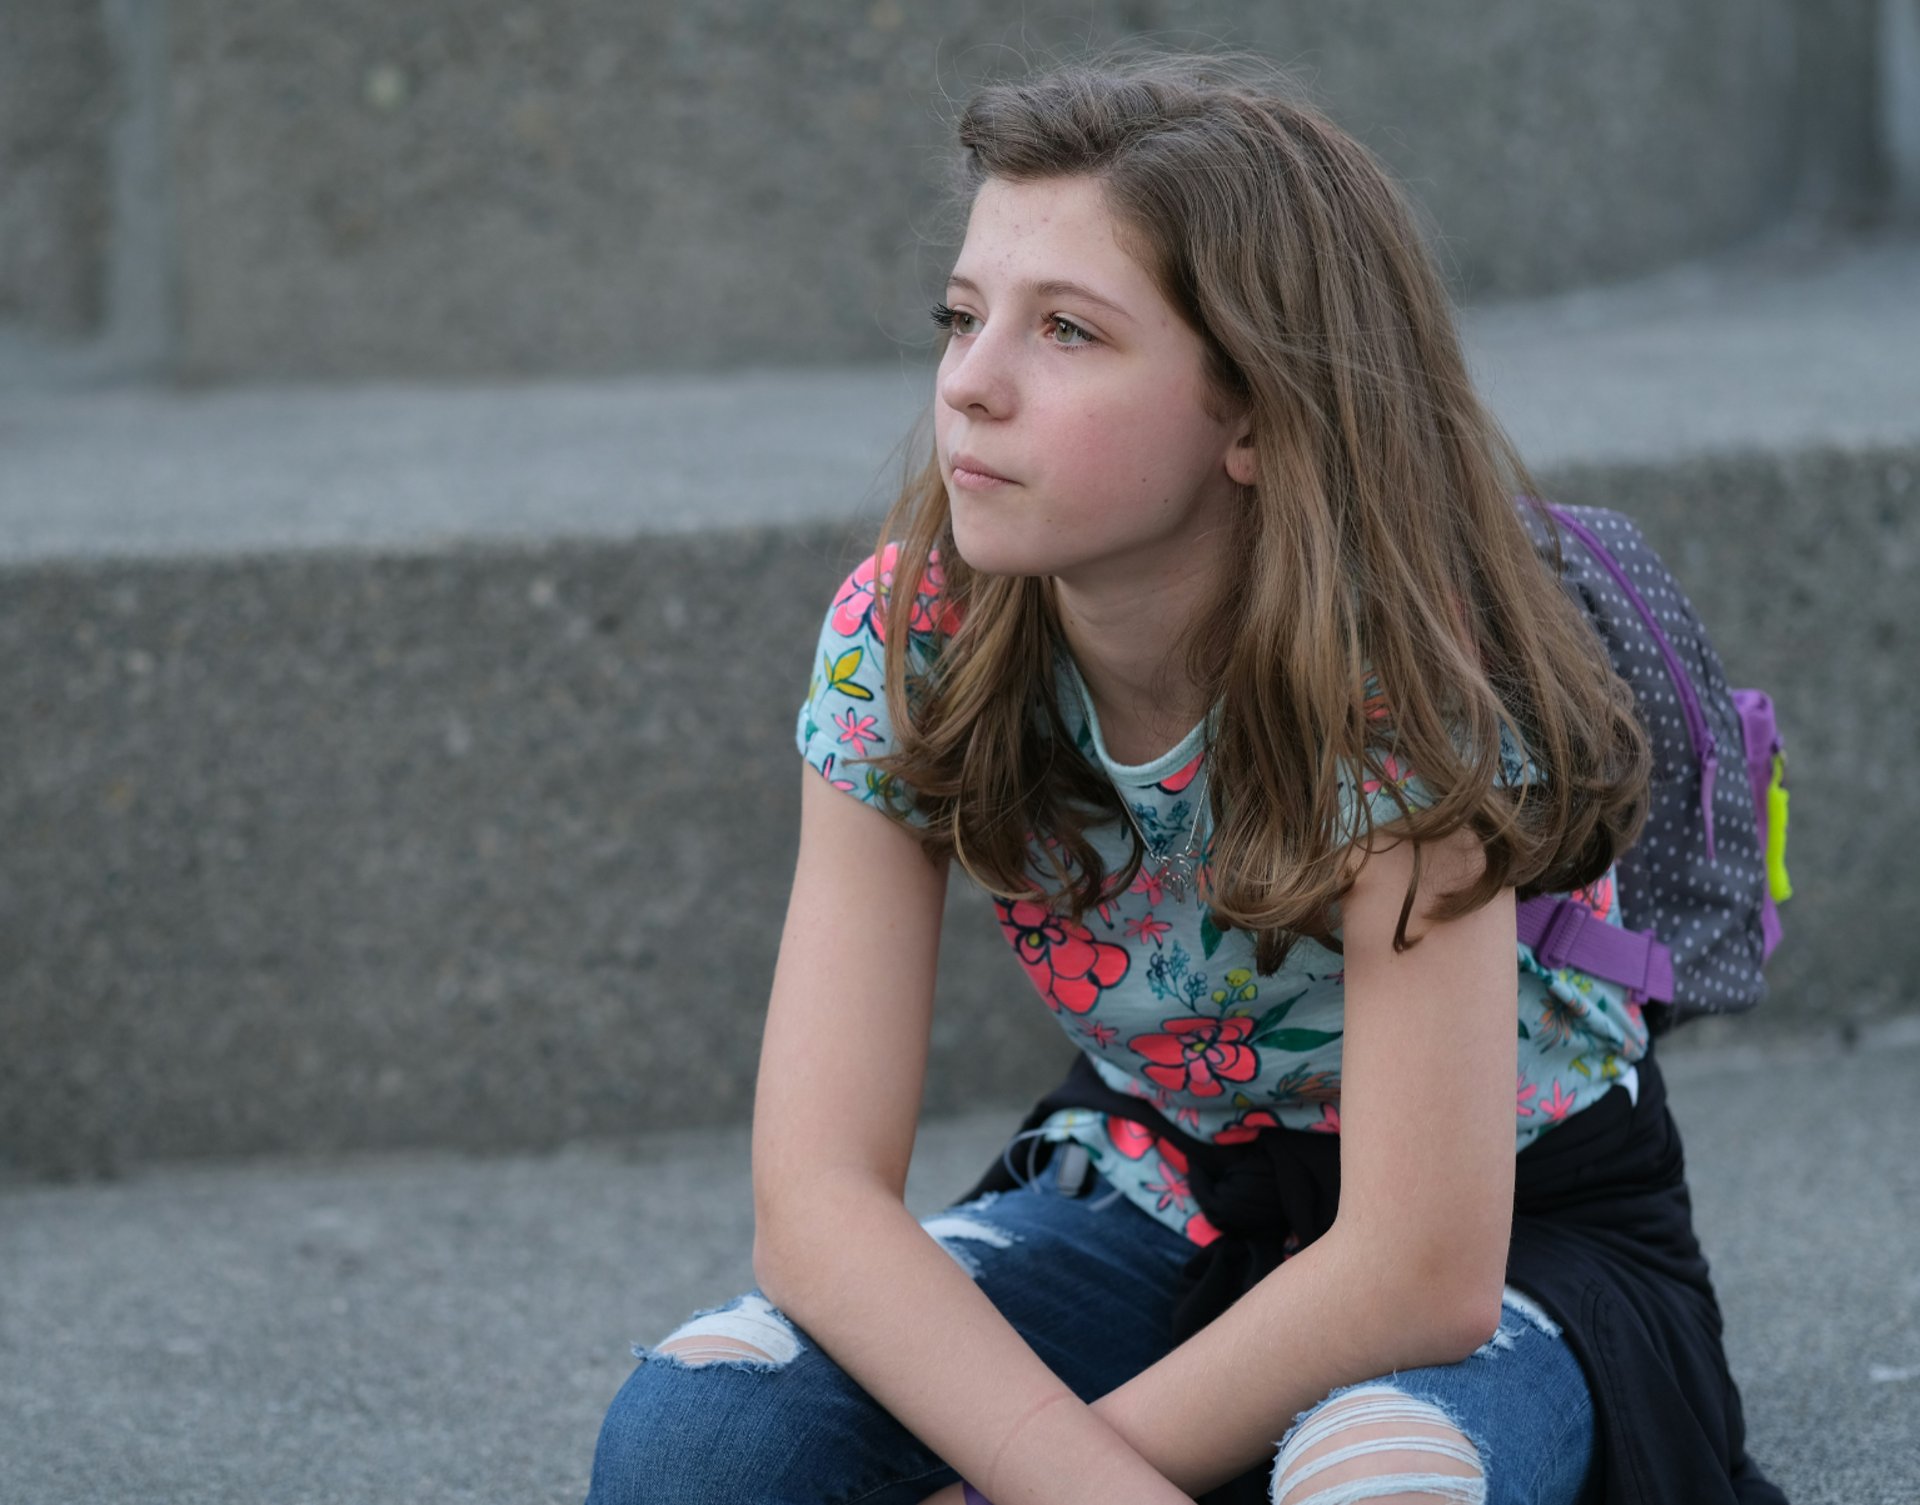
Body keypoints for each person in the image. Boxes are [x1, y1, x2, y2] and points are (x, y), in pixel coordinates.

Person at [584, 47, 1785, 1505]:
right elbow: (817, 1205)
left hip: (1510, 1238)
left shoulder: (1402, 682)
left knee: (1376, 1480)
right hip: (1169, 1180)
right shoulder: (907, 642)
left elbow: (1417, 1265)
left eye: (1069, 333)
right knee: (698, 1433)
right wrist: (1060, 1473)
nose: (972, 383)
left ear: (1256, 418)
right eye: (962, 318)